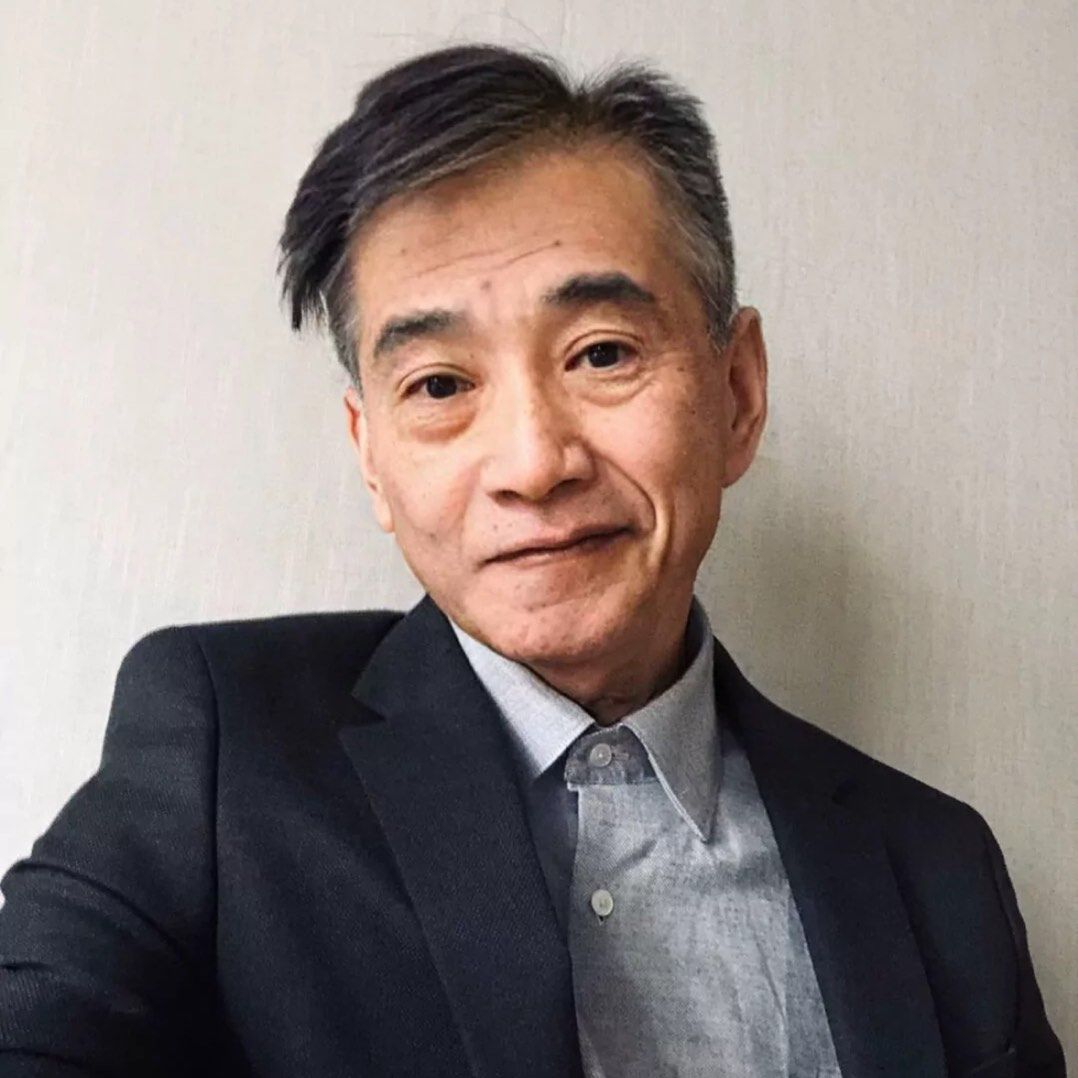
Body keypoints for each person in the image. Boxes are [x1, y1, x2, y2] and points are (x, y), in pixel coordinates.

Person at [0, 43, 1064, 1078]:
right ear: (372, 457)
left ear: (737, 393)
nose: (533, 464)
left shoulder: (937, 871)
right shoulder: (224, 749)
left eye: (600, 353)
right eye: (439, 385)